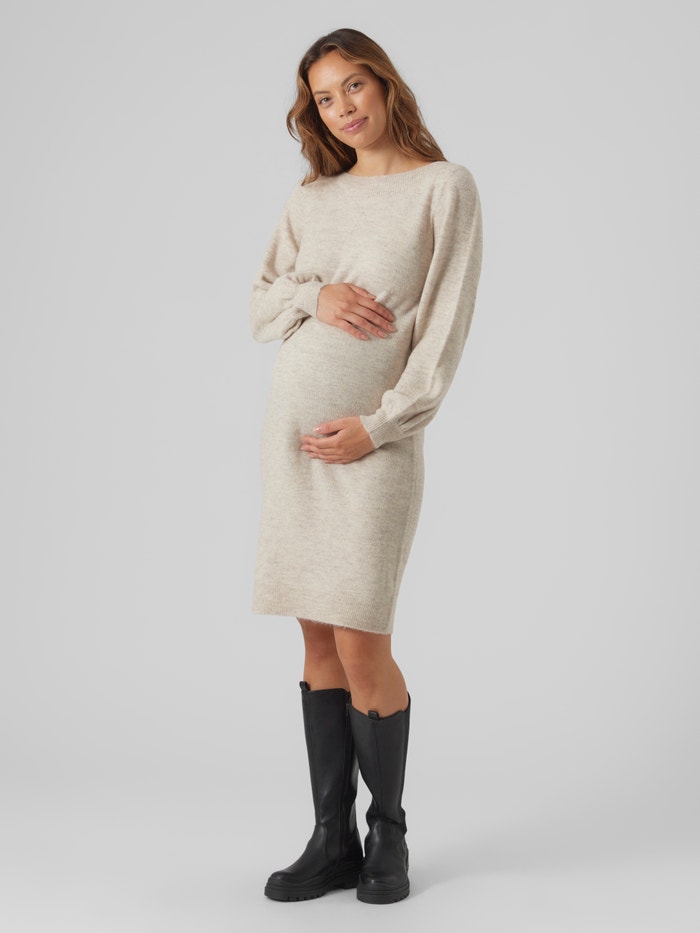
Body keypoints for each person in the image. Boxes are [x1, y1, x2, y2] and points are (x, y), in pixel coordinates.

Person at [249, 27, 482, 905]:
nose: (342, 108)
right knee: (317, 637)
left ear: (384, 84)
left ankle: (389, 832)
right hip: (294, 443)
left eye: (354, 86)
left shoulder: (443, 188)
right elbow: (260, 305)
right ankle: (331, 837)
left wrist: (379, 427)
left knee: (361, 636)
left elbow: (442, 334)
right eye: (324, 97)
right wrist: (318, 294)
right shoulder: (313, 197)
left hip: (373, 444)